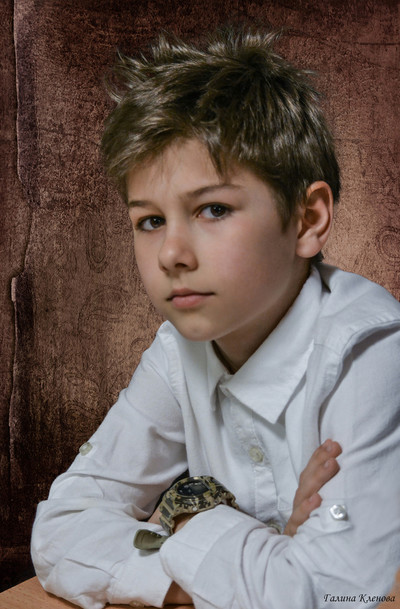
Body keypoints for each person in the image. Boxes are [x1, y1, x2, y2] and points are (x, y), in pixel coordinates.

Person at [31, 27, 400, 609]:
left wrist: (185, 519)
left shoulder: (370, 351)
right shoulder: (178, 350)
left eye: (213, 209)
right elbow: (61, 528)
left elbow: (341, 592)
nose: (171, 254)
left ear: (307, 220)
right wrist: (265, 547)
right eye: (151, 220)